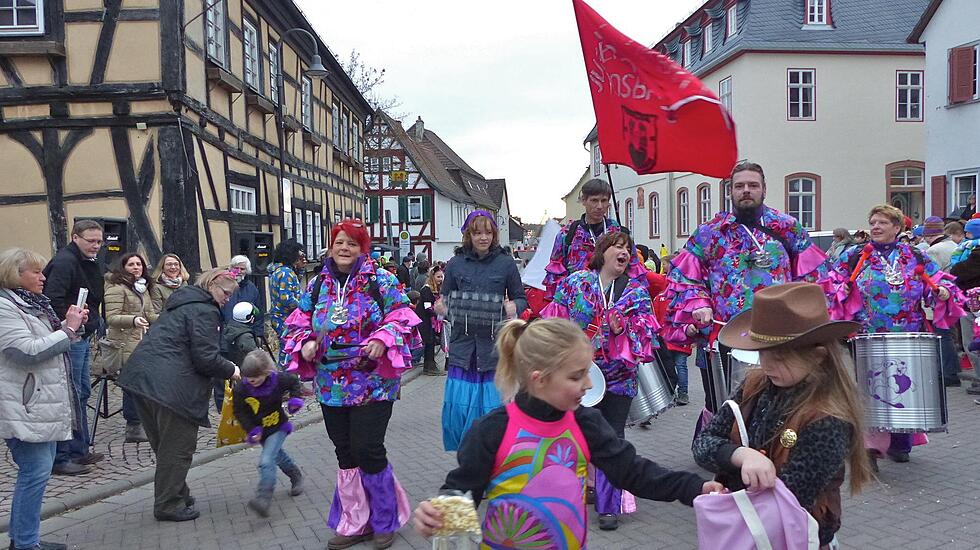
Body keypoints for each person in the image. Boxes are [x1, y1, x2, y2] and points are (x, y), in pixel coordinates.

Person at [412, 318, 721, 548]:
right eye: (577, 376)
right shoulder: (492, 430)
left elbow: (634, 472)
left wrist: (695, 488)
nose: (588, 385)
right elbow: (461, 494)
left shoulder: (586, 424)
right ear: (539, 379)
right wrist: (438, 516)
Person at [693, 282, 872, 549]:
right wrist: (741, 456)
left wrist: (733, 476)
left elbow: (788, 496)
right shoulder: (757, 384)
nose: (766, 366)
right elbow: (703, 443)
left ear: (818, 356)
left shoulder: (828, 420)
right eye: (762, 354)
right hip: (749, 528)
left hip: (794, 537)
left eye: (779, 358)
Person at [282, 219, 419, 550]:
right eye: (339, 242)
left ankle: (385, 520)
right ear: (331, 245)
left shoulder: (381, 281)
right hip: (331, 385)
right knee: (344, 452)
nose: (344, 248)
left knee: (368, 448)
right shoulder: (316, 285)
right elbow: (296, 324)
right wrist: (306, 343)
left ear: (363, 249)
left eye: (352, 244)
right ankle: (355, 521)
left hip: (372, 383)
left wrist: (383, 338)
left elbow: (403, 317)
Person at [663, 161, 829, 418]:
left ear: (764, 190)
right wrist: (699, 304)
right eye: (739, 186)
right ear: (730, 191)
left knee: (779, 405)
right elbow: (683, 277)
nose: (746, 191)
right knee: (724, 405)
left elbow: (814, 277)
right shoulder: (710, 233)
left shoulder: (787, 227)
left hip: (778, 336)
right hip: (724, 334)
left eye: (753, 185)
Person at [541, 231, 659, 530]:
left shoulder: (636, 290)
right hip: (581, 378)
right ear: (602, 251)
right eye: (618, 247)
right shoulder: (576, 282)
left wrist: (622, 331)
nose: (624, 252)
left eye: (628, 249)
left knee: (613, 438)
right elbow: (553, 322)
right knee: (576, 436)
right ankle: (573, 495)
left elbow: (647, 332)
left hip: (620, 378)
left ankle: (609, 506)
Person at [830, 204, 963, 467]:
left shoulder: (913, 255)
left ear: (897, 227)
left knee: (903, 388)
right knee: (871, 388)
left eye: (882, 222)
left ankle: (901, 443)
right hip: (868, 334)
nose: (876, 227)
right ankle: (870, 447)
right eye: (873, 222)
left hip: (908, 333)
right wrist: (840, 290)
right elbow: (833, 281)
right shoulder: (856, 255)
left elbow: (936, 281)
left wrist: (942, 291)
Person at [117, 268, 242, 522]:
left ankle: (177, 492)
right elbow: (206, 358)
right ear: (213, 284)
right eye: (226, 293)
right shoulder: (205, 310)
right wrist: (233, 370)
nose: (228, 299)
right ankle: (168, 504)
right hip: (172, 387)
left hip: (141, 379)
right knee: (177, 447)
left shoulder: (181, 303)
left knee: (164, 444)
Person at [0, 248, 88, 550]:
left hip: (40, 402)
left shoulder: (33, 305)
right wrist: (68, 328)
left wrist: (70, 327)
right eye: (36, 272)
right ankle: (24, 544)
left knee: (36, 473)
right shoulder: (5, 307)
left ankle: (24, 540)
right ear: (15, 274)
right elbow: (25, 351)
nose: (43, 277)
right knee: (34, 473)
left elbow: (51, 343)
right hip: (24, 403)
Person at [436, 210, 527, 452]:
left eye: (488, 232)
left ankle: (495, 457)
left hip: (494, 350)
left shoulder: (506, 263)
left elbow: (521, 298)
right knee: (460, 412)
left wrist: (513, 307)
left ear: (494, 234)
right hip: (463, 349)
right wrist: (441, 307)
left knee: (494, 411)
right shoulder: (455, 265)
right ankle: (468, 461)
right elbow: (444, 300)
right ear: (469, 235)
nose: (483, 237)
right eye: (477, 232)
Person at [42, 219, 106, 474]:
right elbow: (52, 299)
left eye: (99, 241)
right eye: (91, 241)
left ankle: (79, 450)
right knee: (70, 395)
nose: (96, 246)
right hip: (71, 337)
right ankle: (63, 455)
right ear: (75, 237)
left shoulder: (85, 261)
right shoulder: (65, 262)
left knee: (80, 393)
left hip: (81, 333)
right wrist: (69, 328)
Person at [233, 349, 305, 518]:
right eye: (249, 378)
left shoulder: (278, 379)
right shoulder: (242, 389)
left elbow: (294, 381)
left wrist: (295, 400)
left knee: (266, 461)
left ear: (266, 372)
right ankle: (295, 474)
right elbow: (240, 411)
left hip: (278, 426)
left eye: (256, 377)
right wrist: (252, 429)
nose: (252, 381)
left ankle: (263, 498)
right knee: (277, 456)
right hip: (261, 431)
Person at [543, 179, 642, 299]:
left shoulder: (620, 232)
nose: (599, 206)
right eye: (594, 200)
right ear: (584, 201)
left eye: (604, 201)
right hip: (578, 302)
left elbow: (634, 271)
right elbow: (556, 275)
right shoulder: (567, 234)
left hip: (614, 300)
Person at [103, 252, 159, 444]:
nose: (136, 267)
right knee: (132, 385)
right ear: (123, 267)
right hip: (124, 343)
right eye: (131, 265)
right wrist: (133, 320)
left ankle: (144, 422)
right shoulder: (116, 288)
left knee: (144, 384)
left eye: (139, 264)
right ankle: (133, 426)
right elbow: (111, 317)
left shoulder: (142, 288)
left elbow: (151, 313)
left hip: (142, 342)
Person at [215, 301, 260, 410]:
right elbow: (254, 355)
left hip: (225, 365)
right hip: (239, 369)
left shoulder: (229, 327)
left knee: (222, 389)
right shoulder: (245, 336)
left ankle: (224, 409)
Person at [267, 240, 305, 365]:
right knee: (288, 349)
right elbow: (286, 298)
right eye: (298, 256)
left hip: (279, 317)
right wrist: (304, 306)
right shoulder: (286, 273)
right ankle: (286, 378)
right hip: (286, 318)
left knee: (286, 348)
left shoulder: (278, 271)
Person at [222, 255, 264, 340]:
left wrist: (258, 335)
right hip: (226, 334)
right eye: (236, 268)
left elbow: (258, 314)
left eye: (242, 269)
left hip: (246, 334)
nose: (239, 271)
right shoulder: (223, 285)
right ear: (231, 268)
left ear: (247, 271)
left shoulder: (252, 289)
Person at [416, 264, 445, 376]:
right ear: (432, 277)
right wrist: (439, 315)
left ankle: (430, 364)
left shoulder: (435, 290)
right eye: (438, 277)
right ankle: (429, 367)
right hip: (424, 319)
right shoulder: (427, 289)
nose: (440, 279)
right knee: (429, 341)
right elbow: (427, 308)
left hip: (429, 319)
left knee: (431, 342)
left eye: (441, 277)